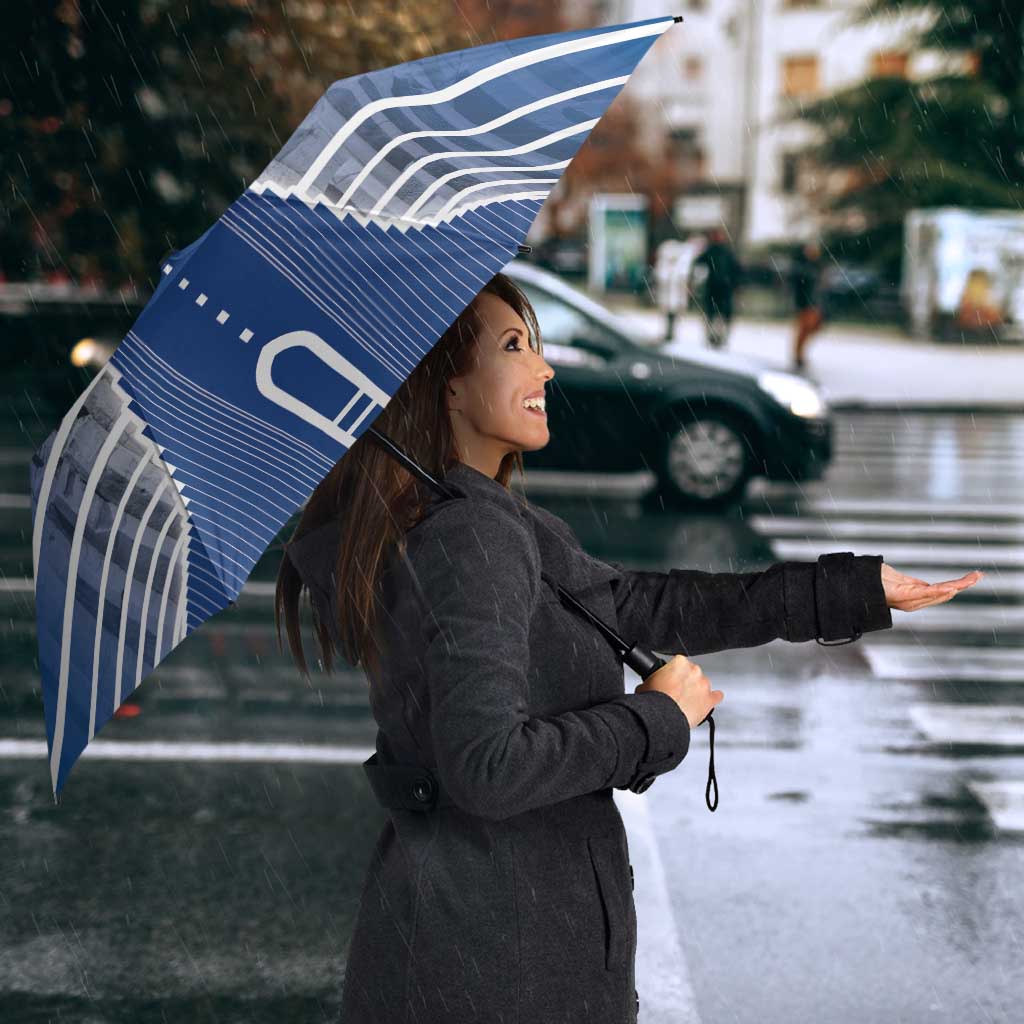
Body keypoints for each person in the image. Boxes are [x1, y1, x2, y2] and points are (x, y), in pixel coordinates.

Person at [276, 272, 982, 1024]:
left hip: (478, 943)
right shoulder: (470, 536)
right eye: (515, 346)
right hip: (497, 963)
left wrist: (849, 590)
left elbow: (644, 606)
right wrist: (655, 719)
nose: (544, 368)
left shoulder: (481, 520)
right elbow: (487, 767)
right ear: (446, 388)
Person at [692, 226, 742, 349]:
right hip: (715, 288)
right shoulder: (712, 251)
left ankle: (719, 337)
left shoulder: (725, 252)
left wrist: (735, 284)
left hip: (723, 288)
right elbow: (698, 264)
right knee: (713, 314)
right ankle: (713, 337)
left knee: (720, 315)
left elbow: (736, 270)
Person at [790, 239, 826, 370]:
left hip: (814, 303)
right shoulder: (802, 267)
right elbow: (799, 286)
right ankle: (798, 355)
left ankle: (799, 354)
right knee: (804, 329)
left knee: (812, 328)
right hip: (805, 303)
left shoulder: (817, 266)